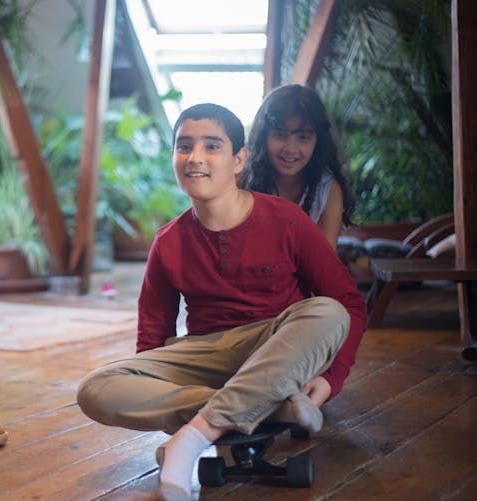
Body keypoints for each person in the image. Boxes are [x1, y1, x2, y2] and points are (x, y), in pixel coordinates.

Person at [76, 103, 366, 500]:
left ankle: (192, 439)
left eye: (212, 146)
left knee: (327, 312)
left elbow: (349, 303)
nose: (195, 157)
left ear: (238, 160)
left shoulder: (286, 220)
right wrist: (153, 381)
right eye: (184, 146)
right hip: (206, 354)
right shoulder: (168, 241)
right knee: (96, 388)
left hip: (274, 346)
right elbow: (152, 337)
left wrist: (330, 381)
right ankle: (270, 405)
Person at [241, 84, 354, 250]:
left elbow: (324, 264)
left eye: (303, 137)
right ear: (263, 136)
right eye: (280, 135)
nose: (290, 149)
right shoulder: (241, 179)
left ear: (318, 141)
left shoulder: (328, 190)